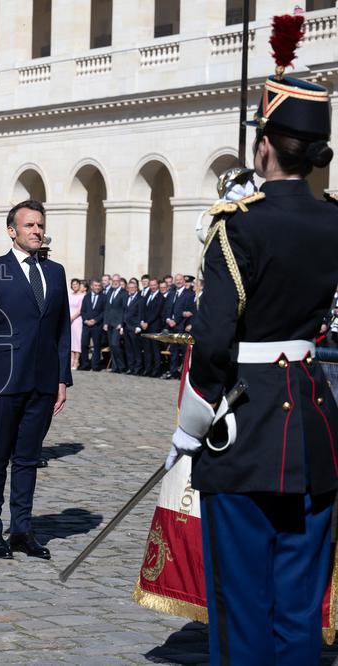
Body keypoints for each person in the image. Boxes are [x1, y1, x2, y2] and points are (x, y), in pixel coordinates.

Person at [165, 38, 338, 662]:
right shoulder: (333, 220)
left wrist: (190, 426)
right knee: (299, 609)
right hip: (315, 429)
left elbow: (214, 339)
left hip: (244, 429)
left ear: (264, 145)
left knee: (241, 605)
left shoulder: (238, 223)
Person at [0, 200, 71, 561]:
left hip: (43, 381)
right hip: (4, 381)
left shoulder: (55, 272)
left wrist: (62, 379)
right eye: (29, 225)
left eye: (40, 225)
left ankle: (22, 530)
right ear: (12, 231)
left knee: (28, 460)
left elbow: (62, 329)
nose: (37, 231)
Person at [78, 280, 105, 371]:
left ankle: (95, 365)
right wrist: (86, 320)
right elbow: (83, 310)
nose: (97, 287)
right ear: (91, 286)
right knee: (84, 344)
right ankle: (85, 364)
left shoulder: (104, 297)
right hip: (86, 325)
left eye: (99, 285)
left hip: (97, 325)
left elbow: (104, 312)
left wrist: (95, 320)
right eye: (95, 285)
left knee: (97, 346)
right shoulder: (86, 297)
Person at [103, 275, 128, 372]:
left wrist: (121, 323)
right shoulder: (110, 292)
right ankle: (115, 366)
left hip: (117, 323)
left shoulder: (124, 293)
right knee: (111, 346)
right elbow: (107, 309)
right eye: (113, 280)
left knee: (115, 344)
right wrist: (105, 322)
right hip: (109, 323)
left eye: (117, 280)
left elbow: (124, 309)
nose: (115, 282)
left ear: (120, 281)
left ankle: (122, 366)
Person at [122, 280, 143, 375]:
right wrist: (122, 326)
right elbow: (123, 312)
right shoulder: (126, 297)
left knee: (136, 349)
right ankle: (131, 367)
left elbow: (141, 313)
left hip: (134, 327)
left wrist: (138, 326)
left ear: (136, 288)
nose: (131, 289)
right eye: (129, 288)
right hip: (126, 327)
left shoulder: (140, 299)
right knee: (128, 348)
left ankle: (137, 368)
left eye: (133, 288)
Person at [69, 278, 84, 370]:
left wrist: (72, 318)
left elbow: (80, 309)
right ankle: (71, 360)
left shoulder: (82, 296)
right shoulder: (70, 295)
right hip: (68, 320)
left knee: (77, 340)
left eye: (76, 284)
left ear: (79, 285)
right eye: (73, 284)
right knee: (71, 340)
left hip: (77, 320)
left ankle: (76, 360)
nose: (75, 286)